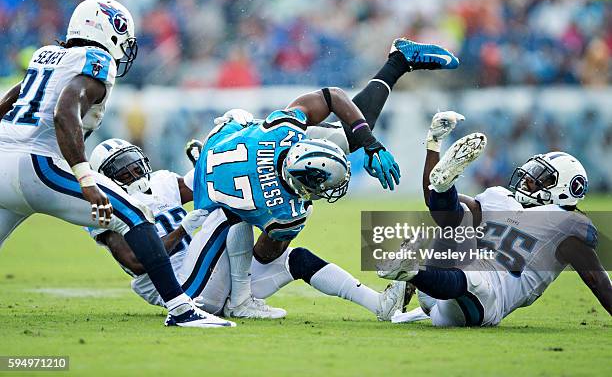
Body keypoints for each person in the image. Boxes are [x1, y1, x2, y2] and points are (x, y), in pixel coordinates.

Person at [0, 0, 232, 328]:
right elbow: (64, 113)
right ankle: (182, 309)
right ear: (109, 29)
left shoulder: (45, 56)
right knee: (135, 214)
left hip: (2, 163)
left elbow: (11, 98)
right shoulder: (96, 60)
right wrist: (85, 178)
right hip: (38, 164)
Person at [189, 38, 460, 318]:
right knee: (267, 242)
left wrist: (369, 142)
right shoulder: (286, 202)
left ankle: (399, 62)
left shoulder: (281, 133)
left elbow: (332, 96)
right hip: (208, 254)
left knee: (346, 138)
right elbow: (265, 254)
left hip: (216, 153)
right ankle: (242, 300)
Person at [88, 138, 410, 321]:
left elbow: (199, 183)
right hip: (184, 291)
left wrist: (209, 159)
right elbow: (137, 261)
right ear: (106, 177)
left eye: (133, 160)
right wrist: (185, 229)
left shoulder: (159, 182)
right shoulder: (104, 206)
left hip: (216, 271)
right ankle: (241, 302)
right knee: (232, 203)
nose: (133, 170)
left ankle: (379, 306)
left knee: (296, 258)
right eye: (121, 167)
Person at [379, 112, 612, 326]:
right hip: (437, 289)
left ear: (564, 188)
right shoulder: (500, 198)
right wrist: (433, 144)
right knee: (458, 215)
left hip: (483, 302)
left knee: (479, 280)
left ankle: (410, 273)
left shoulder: (566, 226)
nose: (529, 179)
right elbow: (437, 207)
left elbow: (598, 282)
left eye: (541, 177)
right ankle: (444, 188)